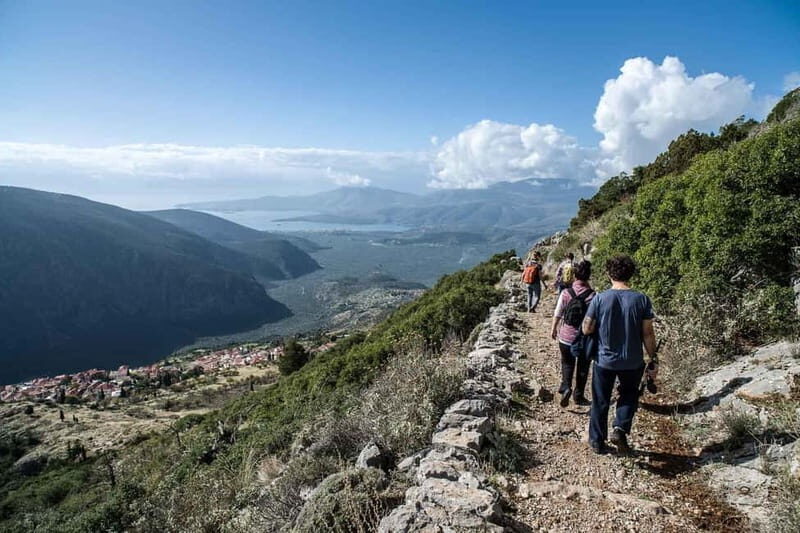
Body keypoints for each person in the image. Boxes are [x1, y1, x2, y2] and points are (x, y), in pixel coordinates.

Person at [582, 255, 658, 455]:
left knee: (600, 399)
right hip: (632, 360)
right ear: (631, 274)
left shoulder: (599, 299)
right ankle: (620, 428)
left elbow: (587, 328)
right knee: (629, 395)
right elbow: (648, 333)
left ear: (609, 274)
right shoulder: (642, 299)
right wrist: (653, 358)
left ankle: (597, 441)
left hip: (604, 360)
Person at [550, 260, 594, 407]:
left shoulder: (566, 293)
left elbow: (558, 312)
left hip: (565, 337)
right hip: (584, 339)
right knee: (583, 367)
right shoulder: (593, 296)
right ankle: (579, 396)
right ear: (588, 276)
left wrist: (554, 328)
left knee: (567, 363)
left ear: (575, 276)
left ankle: (566, 387)